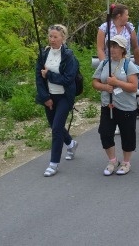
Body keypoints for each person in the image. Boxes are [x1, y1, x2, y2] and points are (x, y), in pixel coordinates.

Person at [35, 24, 80, 177]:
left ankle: (53, 164)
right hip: (49, 96)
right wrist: (45, 97)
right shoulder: (43, 54)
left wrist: (49, 75)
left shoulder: (69, 56)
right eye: (50, 36)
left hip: (64, 97)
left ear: (63, 38)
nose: (52, 39)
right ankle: (71, 144)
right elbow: (38, 77)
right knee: (55, 126)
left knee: (56, 129)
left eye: (55, 37)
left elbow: (68, 79)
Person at [92, 35, 139, 176]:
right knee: (105, 132)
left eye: (115, 46)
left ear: (122, 49)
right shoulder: (104, 63)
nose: (112, 49)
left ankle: (126, 162)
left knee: (127, 134)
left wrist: (117, 83)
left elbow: (133, 86)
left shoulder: (128, 65)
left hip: (126, 107)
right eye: (110, 46)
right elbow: (95, 82)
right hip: (108, 105)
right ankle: (112, 160)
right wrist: (105, 87)